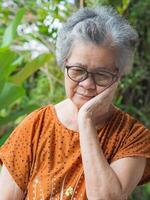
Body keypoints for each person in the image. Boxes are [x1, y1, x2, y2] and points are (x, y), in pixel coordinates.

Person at [0, 6, 150, 200]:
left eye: (101, 75)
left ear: (117, 76)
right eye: (78, 71)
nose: (87, 84)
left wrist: (85, 119)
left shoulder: (132, 137)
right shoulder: (35, 126)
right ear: (64, 65)